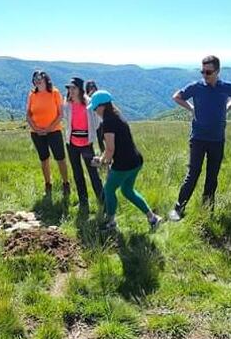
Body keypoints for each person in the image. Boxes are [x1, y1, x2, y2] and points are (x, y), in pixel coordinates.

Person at [168, 55, 231, 221]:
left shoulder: (227, 87)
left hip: (217, 139)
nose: (204, 75)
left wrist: (227, 108)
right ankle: (178, 208)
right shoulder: (196, 87)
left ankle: (207, 211)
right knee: (193, 174)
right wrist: (191, 108)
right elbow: (176, 96)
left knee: (212, 177)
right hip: (198, 139)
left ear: (217, 71)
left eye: (208, 72)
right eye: (202, 71)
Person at [89, 90, 162, 230]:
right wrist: (103, 159)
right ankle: (153, 218)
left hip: (123, 165)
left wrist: (101, 162)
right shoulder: (117, 115)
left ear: (102, 106)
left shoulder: (108, 122)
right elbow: (113, 149)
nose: (94, 111)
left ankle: (111, 223)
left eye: (95, 107)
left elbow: (110, 149)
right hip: (136, 160)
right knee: (127, 191)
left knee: (109, 190)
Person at [27, 70, 70, 196]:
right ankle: (48, 184)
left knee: (60, 158)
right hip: (37, 133)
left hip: (54, 131)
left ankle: (65, 183)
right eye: (35, 79)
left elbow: (60, 114)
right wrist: (35, 128)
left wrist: (49, 129)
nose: (37, 81)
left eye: (40, 78)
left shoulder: (55, 93)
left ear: (46, 79)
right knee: (44, 159)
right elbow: (28, 114)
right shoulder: (32, 94)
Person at [63, 77, 103, 206]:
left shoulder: (89, 103)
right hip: (72, 143)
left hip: (86, 143)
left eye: (73, 88)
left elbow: (98, 121)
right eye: (69, 88)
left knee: (93, 173)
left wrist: (90, 134)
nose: (71, 91)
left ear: (80, 89)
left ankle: (102, 200)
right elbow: (65, 119)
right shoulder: (67, 104)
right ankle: (83, 201)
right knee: (77, 173)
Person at [84, 79, 105, 150]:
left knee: (100, 138)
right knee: (90, 139)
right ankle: (91, 153)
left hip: (99, 120)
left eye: (93, 86)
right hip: (90, 121)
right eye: (90, 87)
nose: (92, 88)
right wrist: (89, 95)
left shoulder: (99, 96)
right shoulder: (85, 97)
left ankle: (103, 151)